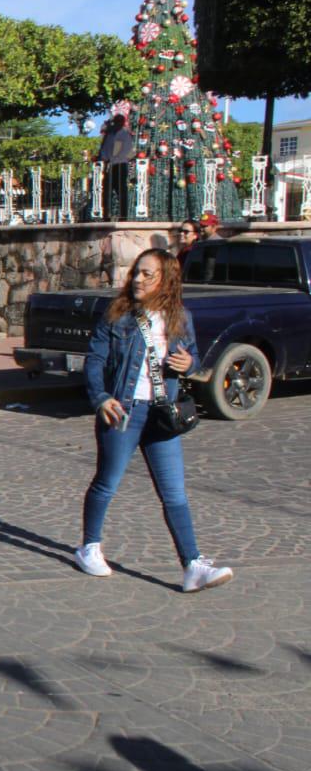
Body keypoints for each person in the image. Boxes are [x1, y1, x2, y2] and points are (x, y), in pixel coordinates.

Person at [75, 249, 234, 593]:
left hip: (162, 414)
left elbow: (190, 360)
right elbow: (94, 360)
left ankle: (193, 565)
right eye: (136, 273)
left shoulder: (180, 318)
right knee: (107, 482)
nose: (138, 280)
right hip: (124, 412)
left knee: (174, 492)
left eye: (148, 274)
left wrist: (188, 364)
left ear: (166, 280)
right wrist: (101, 398)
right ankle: (89, 547)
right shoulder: (117, 315)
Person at [97, 115, 136, 219]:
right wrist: (103, 158)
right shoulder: (109, 134)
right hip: (109, 165)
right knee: (107, 190)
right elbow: (104, 148)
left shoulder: (124, 134)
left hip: (119, 164)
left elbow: (127, 151)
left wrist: (113, 157)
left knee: (120, 190)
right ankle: (106, 215)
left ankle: (123, 215)